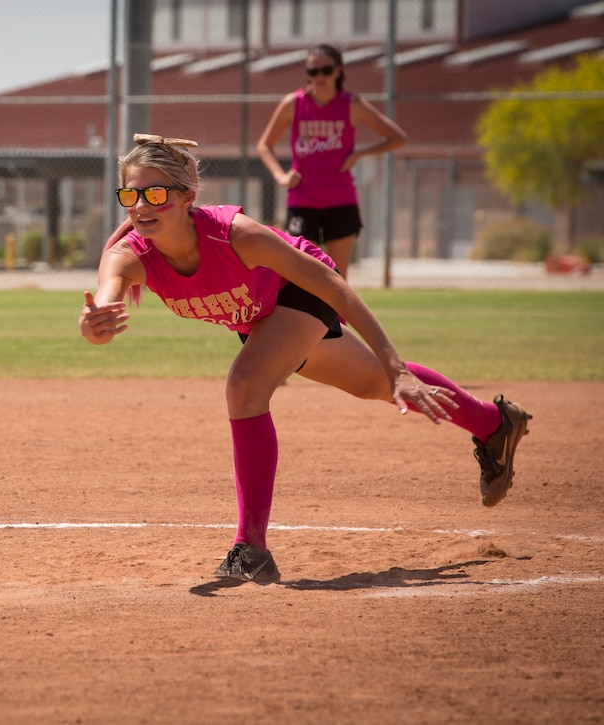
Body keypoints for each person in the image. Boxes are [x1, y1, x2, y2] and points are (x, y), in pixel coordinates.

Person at [79, 134, 532, 584]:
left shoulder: (237, 236)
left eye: (155, 192)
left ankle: (250, 548)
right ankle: (494, 424)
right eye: (130, 194)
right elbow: (105, 303)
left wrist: (398, 365)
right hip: (260, 312)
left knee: (246, 386)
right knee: (372, 384)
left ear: (186, 196)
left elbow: (335, 288)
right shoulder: (127, 256)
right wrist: (94, 324)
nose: (141, 205)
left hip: (300, 288)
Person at [257, 43, 407, 280]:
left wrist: (358, 154)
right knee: (300, 275)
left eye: (326, 70)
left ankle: (337, 319)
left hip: (340, 200)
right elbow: (264, 145)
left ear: (338, 70)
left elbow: (397, 138)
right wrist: (280, 175)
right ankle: (306, 319)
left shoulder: (351, 104)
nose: (320, 77)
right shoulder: (294, 104)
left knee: (338, 278)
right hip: (302, 201)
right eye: (313, 71)